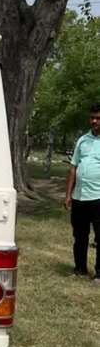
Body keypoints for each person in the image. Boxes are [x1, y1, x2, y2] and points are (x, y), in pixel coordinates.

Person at [65, 104, 100, 283]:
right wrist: (68, 195)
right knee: (79, 235)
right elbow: (73, 168)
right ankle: (80, 268)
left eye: (98, 118)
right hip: (80, 197)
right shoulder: (82, 140)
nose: (94, 121)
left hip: (98, 198)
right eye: (92, 117)